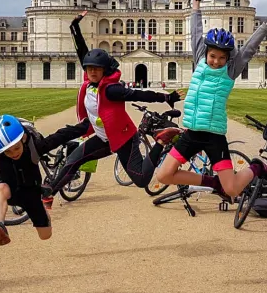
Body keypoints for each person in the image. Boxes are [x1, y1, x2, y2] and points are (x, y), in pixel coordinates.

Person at [150, 0, 267, 199]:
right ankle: (213, 183)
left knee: (232, 190)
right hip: (192, 134)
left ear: (228, 58)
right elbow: (196, 31)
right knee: (164, 175)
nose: (216, 61)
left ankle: (257, 168)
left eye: (222, 57)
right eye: (213, 56)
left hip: (214, 137)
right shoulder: (199, 59)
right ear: (206, 53)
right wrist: (196, 3)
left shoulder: (231, 71)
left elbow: (249, 48)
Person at [45, 10, 182, 196]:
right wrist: (75, 27)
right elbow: (83, 52)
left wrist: (166, 97)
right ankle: (49, 192)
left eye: (97, 69)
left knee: (141, 179)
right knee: (74, 160)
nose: (92, 72)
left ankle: (160, 141)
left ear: (104, 71)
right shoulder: (90, 81)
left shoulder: (111, 90)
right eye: (89, 68)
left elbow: (137, 95)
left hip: (124, 139)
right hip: (104, 138)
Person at [0, 98, 89, 245]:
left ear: (23, 139)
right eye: (7, 152)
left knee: (45, 235)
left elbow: (61, 135)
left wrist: (86, 126)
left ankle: (44, 215)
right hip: (9, 191)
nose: (13, 153)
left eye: (16, 148)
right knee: (2, 188)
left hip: (31, 194)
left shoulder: (36, 146)